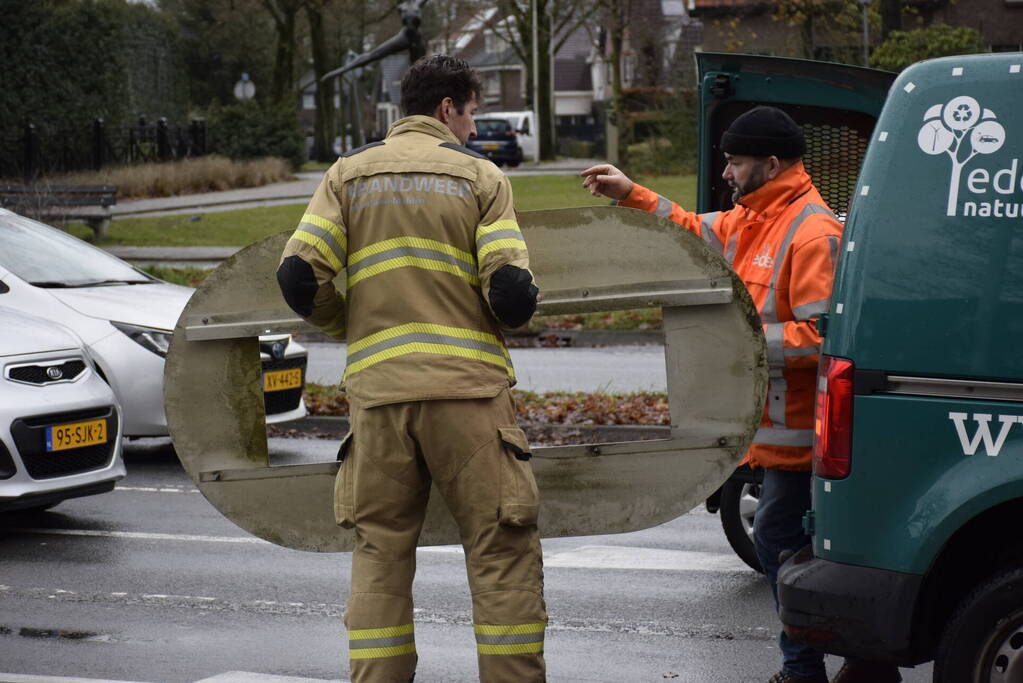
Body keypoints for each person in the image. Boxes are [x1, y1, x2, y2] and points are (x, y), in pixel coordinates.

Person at [581, 106, 901, 683]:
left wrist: (738, 342)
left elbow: (822, 339)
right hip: (781, 439)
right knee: (810, 552)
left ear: (771, 163)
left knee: (788, 545)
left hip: (807, 441)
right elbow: (691, 230)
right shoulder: (752, 220)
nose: (726, 172)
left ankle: (807, 670)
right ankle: (864, 665)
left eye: (736, 161)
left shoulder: (811, 233)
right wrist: (631, 193)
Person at [277, 54, 545, 683]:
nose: (475, 129)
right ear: (448, 108)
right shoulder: (481, 178)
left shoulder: (347, 176)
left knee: (380, 552)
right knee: (500, 552)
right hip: (469, 399)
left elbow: (296, 275)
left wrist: (346, 323)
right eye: (473, 113)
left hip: (379, 402)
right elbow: (509, 291)